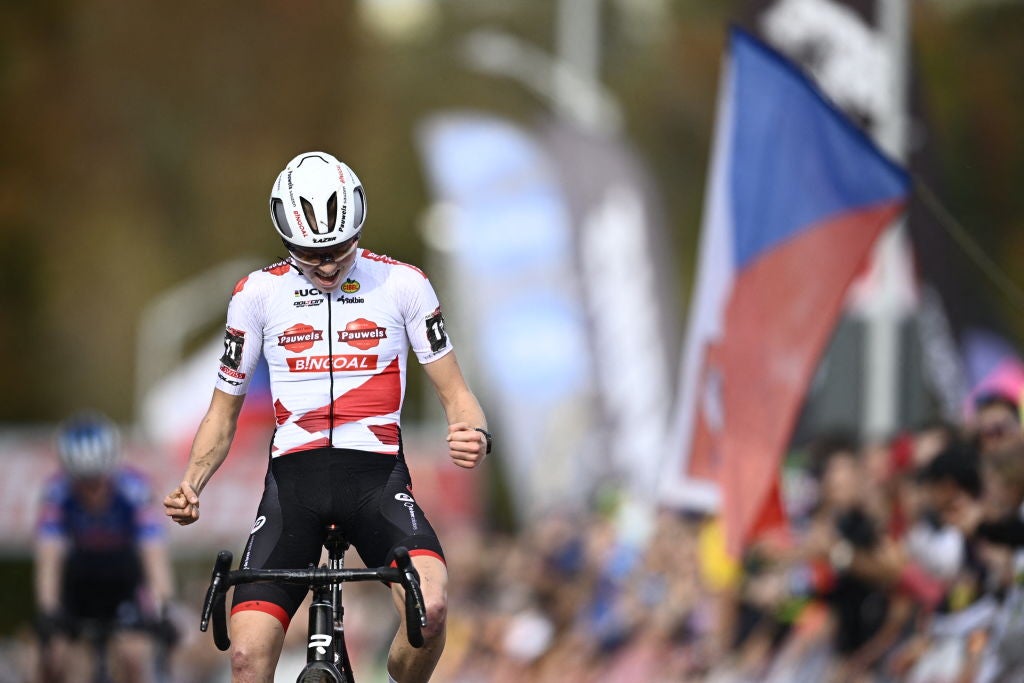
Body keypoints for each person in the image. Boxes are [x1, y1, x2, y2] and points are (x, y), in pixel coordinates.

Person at [163, 151, 490, 683]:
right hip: (294, 485)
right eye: (311, 254)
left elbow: (458, 395)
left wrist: (471, 432)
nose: (329, 265)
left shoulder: (403, 285)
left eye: (338, 248)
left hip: (376, 480)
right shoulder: (257, 295)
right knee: (245, 657)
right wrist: (192, 482)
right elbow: (222, 415)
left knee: (429, 610)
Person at [34, 411, 176, 683]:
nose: (91, 491)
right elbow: (49, 559)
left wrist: (162, 609)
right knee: (55, 658)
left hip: (123, 578)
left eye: (97, 481)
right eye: (83, 483)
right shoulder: (56, 492)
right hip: (78, 580)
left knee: (133, 656)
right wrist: (48, 611)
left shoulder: (135, 489)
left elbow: (154, 555)